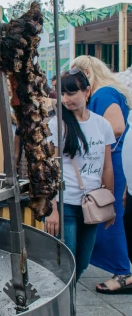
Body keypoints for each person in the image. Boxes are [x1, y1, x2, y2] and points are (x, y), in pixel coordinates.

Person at [44, 69, 115, 280]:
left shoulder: (102, 125)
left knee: (83, 261)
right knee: (67, 263)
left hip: (92, 204)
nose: (66, 99)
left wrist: (108, 203)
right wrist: (52, 209)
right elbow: (49, 169)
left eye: (71, 93)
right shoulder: (56, 125)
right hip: (66, 204)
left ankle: (67, 301)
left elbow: (107, 167)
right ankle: (65, 307)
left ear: (87, 92)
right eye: (62, 94)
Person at [72, 55, 132, 293]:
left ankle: (123, 273)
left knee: (110, 216)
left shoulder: (104, 93)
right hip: (113, 162)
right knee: (110, 215)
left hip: (110, 163)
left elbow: (116, 127)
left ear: (87, 71)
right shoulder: (108, 91)